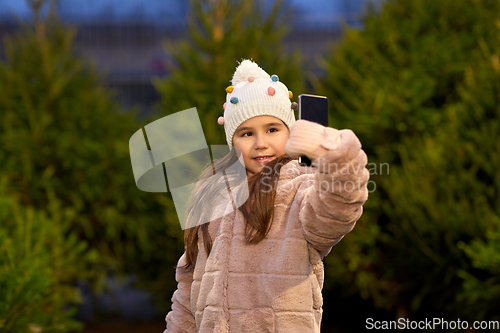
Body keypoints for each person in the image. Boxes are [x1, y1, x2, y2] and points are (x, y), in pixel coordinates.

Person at [164, 59, 369, 332]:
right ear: (232, 142)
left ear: (290, 131)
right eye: (246, 133)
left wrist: (336, 157)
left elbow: (335, 213)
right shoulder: (212, 194)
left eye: (272, 129)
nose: (260, 143)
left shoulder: (301, 189)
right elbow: (188, 290)